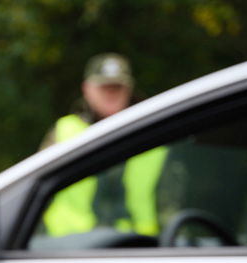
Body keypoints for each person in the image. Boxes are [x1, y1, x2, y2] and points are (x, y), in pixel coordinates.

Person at [39, 53, 167, 237]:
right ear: (87, 88)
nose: (111, 94)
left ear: (129, 89)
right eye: (104, 87)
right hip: (70, 251)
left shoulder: (153, 136)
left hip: (138, 251)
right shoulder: (64, 132)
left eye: (117, 87)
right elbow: (37, 191)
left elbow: (170, 202)